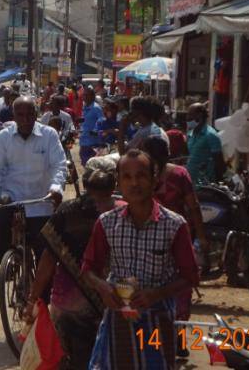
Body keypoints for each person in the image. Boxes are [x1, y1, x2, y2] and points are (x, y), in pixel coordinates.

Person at [82, 149, 199, 370]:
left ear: (155, 180)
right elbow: (88, 268)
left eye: (141, 175)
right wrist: (103, 288)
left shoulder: (174, 225)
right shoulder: (106, 223)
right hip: (118, 320)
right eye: (127, 177)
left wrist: (157, 293)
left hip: (158, 321)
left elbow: (190, 276)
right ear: (119, 183)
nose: (134, 183)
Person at [26, 169, 119, 370]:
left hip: (67, 306)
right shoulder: (122, 212)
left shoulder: (66, 211)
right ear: (114, 188)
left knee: (68, 361)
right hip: (112, 303)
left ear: (85, 186)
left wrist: (33, 299)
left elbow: (48, 259)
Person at [140, 137, 208, 338]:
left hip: (150, 237)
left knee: (152, 284)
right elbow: (193, 206)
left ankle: (157, 335)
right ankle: (177, 334)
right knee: (182, 284)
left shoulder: (142, 176)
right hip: (178, 236)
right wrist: (201, 237)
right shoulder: (179, 174)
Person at [0, 97, 67, 264]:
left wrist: (56, 188)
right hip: (11, 199)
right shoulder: (4, 137)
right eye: (20, 115)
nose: (25, 119)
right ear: (14, 116)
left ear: (36, 114)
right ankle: (7, 261)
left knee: (44, 253)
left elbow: (58, 165)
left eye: (30, 114)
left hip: (40, 201)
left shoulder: (49, 135)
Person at [186, 103, 224, 186]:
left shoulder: (210, 135)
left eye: (190, 115)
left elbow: (219, 162)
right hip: (190, 182)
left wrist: (217, 184)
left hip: (204, 185)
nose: (187, 118)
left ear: (199, 116)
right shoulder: (191, 133)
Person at [79, 88, 105, 166]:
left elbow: (102, 120)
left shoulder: (96, 108)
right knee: (85, 163)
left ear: (93, 96)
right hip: (84, 139)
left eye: (87, 95)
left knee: (91, 165)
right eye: (84, 95)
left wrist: (95, 130)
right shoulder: (85, 107)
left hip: (92, 142)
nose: (85, 97)